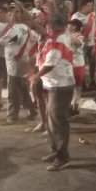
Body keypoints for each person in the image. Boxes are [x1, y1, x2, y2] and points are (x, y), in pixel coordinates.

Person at [29, 14, 75, 171]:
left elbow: (50, 64)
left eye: (48, 25)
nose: (46, 27)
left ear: (56, 26)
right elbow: (38, 28)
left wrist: (36, 75)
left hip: (61, 85)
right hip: (53, 84)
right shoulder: (54, 36)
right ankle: (55, 151)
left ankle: (63, 157)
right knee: (50, 121)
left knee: (58, 121)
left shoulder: (58, 41)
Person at [0, 8, 37, 124]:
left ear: (14, 17)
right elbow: (36, 41)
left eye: (11, 14)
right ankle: (32, 110)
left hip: (14, 64)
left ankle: (12, 116)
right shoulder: (27, 29)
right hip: (23, 62)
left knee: (13, 91)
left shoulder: (15, 31)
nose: (9, 16)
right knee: (23, 89)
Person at [71, 0, 96, 90]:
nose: (91, 7)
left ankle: (92, 81)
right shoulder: (76, 16)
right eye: (89, 5)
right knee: (82, 64)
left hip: (92, 43)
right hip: (81, 45)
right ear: (83, 6)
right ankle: (83, 83)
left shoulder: (92, 15)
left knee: (93, 64)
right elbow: (73, 30)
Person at [68, 19, 85, 116]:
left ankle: (76, 106)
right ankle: (70, 106)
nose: (68, 26)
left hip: (77, 63)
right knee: (69, 86)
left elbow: (78, 43)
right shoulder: (67, 35)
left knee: (77, 86)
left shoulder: (79, 35)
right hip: (68, 63)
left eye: (70, 25)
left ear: (75, 26)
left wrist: (67, 34)